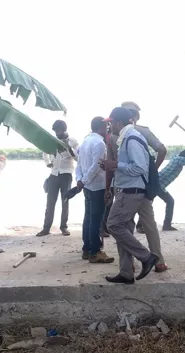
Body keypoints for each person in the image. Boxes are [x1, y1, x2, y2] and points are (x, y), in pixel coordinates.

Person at [101, 107, 159, 284]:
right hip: (129, 190)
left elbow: (139, 168)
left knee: (113, 225)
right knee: (123, 231)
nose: (110, 127)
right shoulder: (126, 137)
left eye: (111, 123)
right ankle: (126, 273)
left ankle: (147, 257)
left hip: (132, 191)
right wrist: (113, 166)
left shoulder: (132, 138)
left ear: (118, 122)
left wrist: (116, 165)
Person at [120, 101, 168, 272]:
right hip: (144, 187)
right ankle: (159, 261)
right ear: (137, 115)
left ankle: (129, 264)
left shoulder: (117, 133)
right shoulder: (143, 131)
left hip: (125, 187)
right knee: (149, 223)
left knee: (124, 226)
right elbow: (162, 150)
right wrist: (151, 171)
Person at [76, 117, 114, 263]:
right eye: (106, 127)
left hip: (87, 186)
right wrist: (84, 180)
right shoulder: (99, 143)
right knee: (96, 220)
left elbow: (79, 165)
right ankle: (95, 251)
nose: (108, 130)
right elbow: (96, 166)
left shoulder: (85, 141)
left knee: (89, 218)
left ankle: (87, 249)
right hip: (97, 185)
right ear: (101, 127)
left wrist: (80, 180)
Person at [38, 120, 79, 237]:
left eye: (59, 131)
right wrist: (48, 163)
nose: (57, 133)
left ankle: (64, 227)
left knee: (65, 201)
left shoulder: (73, 141)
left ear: (64, 130)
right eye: (55, 131)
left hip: (66, 174)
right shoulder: (52, 140)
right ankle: (46, 228)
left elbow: (77, 158)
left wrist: (69, 148)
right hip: (54, 174)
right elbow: (44, 152)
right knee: (50, 202)